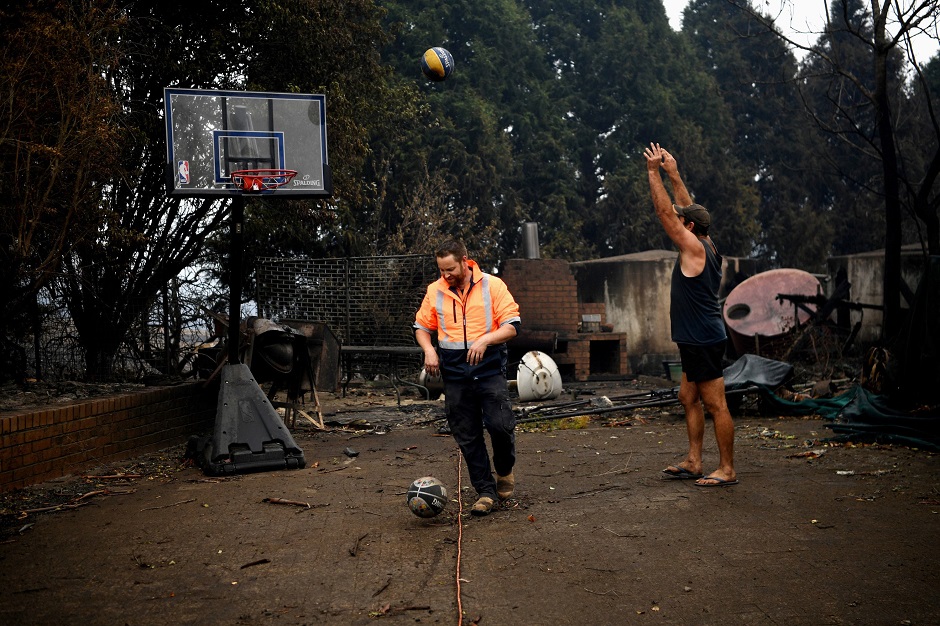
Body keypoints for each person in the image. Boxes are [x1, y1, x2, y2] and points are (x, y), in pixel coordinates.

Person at [644, 143, 738, 487]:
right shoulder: (707, 240)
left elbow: (666, 214)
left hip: (704, 339)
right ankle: (695, 461)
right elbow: (688, 209)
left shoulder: (695, 247)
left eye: (683, 219)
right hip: (693, 338)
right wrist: (674, 173)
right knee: (688, 397)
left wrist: (653, 173)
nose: (679, 218)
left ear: (689, 226)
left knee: (716, 404)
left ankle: (726, 469)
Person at [414, 240, 522, 514]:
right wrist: (429, 350)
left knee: (499, 425)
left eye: (450, 268)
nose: (445, 275)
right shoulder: (435, 291)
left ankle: (505, 469)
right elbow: (422, 327)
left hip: (488, 369)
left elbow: (511, 327)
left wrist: (485, 340)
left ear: (465, 260)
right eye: (441, 270)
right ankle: (485, 492)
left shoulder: (492, 286)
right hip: (454, 373)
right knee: (467, 434)